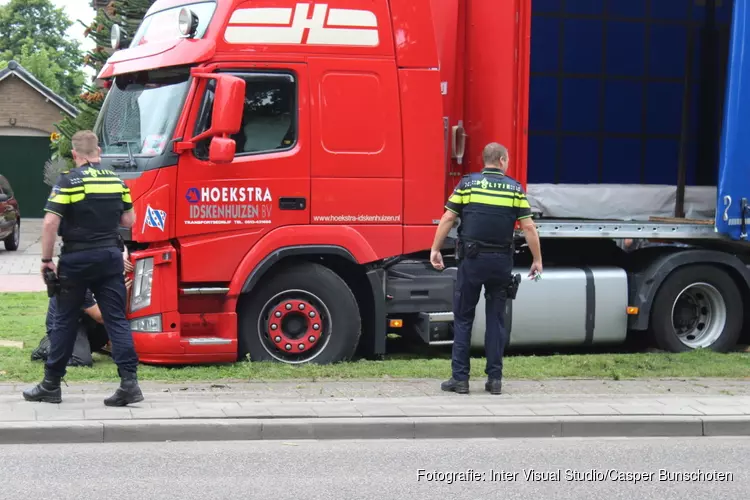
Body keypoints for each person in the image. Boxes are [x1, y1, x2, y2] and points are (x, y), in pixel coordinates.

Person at [22, 130, 143, 407]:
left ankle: (51, 385)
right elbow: (128, 220)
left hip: (77, 260)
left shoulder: (68, 182)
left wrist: (46, 260)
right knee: (116, 320)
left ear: (75, 154)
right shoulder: (116, 181)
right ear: (98, 151)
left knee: (64, 320)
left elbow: (50, 222)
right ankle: (129, 384)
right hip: (110, 257)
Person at [429, 142, 543, 395]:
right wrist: (537, 259)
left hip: (472, 261)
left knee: (463, 318)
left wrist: (435, 248)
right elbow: (528, 227)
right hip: (501, 262)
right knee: (496, 320)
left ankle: (460, 379)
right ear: (502, 160)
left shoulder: (467, 184)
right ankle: (495, 380)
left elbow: (448, 217)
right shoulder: (515, 189)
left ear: (486, 160)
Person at [31, 250, 134, 366]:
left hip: (85, 321)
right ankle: (48, 347)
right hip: (65, 325)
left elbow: (116, 315)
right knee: (82, 360)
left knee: (107, 331)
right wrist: (122, 293)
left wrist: (123, 257)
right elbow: (102, 317)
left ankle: (74, 348)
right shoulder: (77, 282)